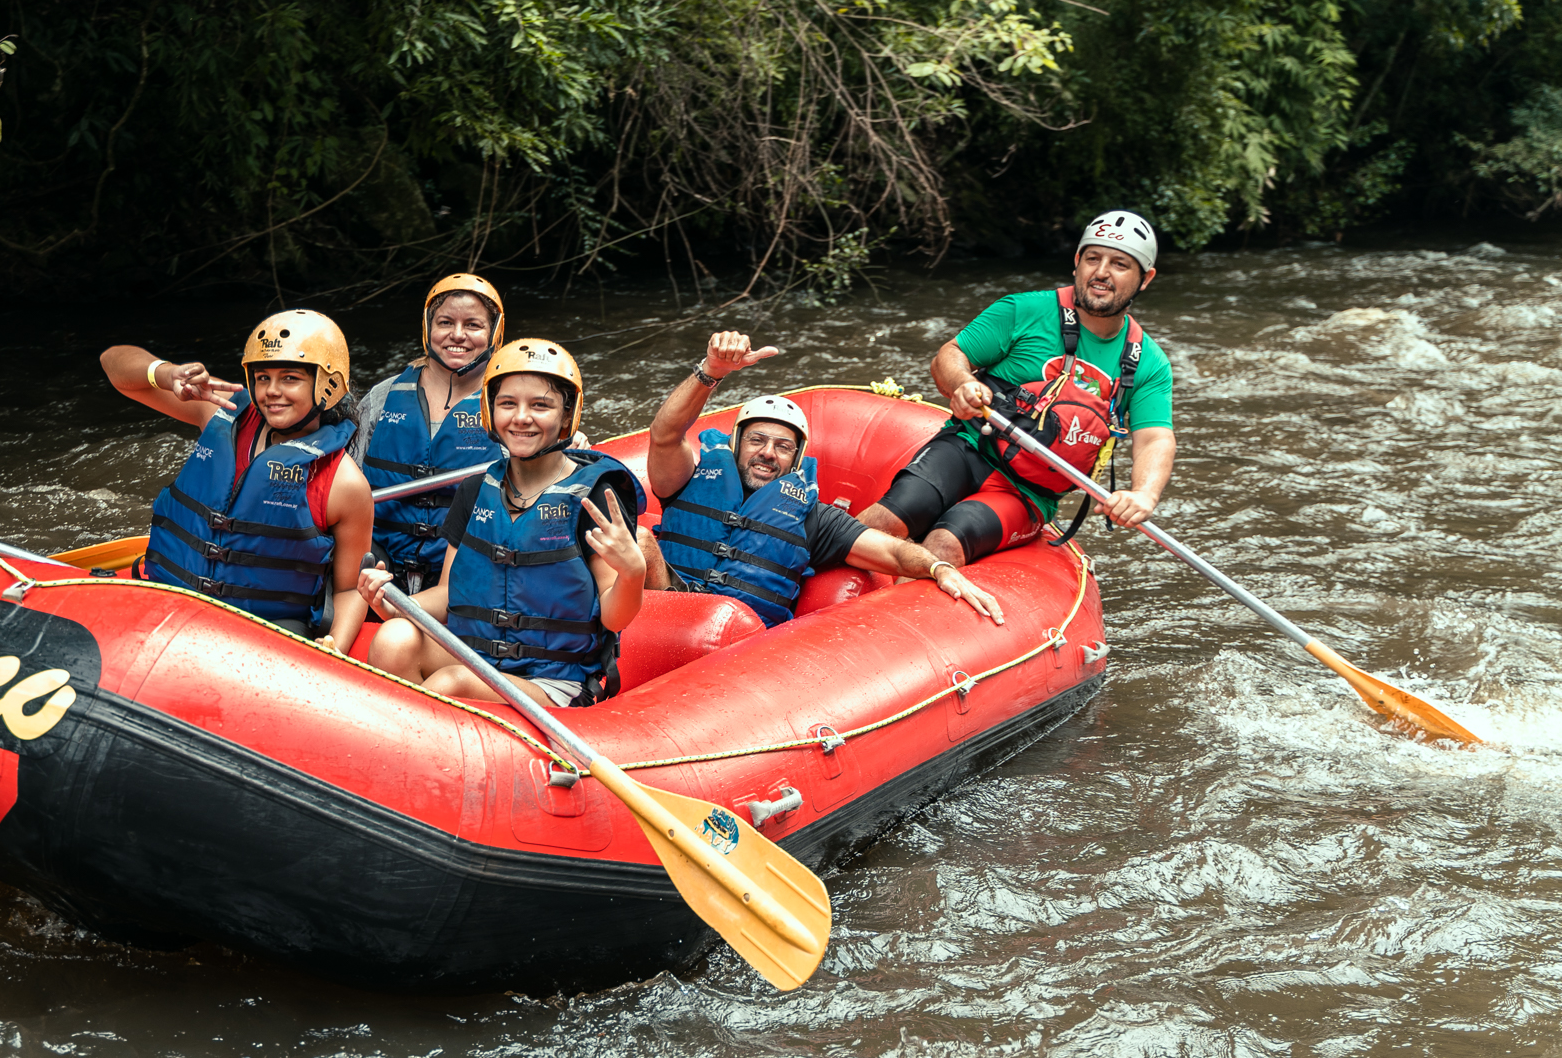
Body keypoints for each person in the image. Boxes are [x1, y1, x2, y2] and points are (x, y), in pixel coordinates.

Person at [854, 210, 1178, 565]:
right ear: (1076, 262)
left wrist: (1144, 494)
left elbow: (1155, 437)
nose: (1101, 272)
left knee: (944, 544)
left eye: (1119, 264)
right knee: (885, 521)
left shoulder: (1148, 361)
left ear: (1145, 278)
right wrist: (962, 383)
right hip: (970, 449)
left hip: (1029, 493)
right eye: (1092, 258)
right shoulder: (1022, 310)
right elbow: (951, 354)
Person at [358, 340, 650, 707]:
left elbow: (612, 616)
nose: (521, 417)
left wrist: (632, 574)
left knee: (453, 683)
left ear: (566, 415)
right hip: (477, 655)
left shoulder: (594, 496)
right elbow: (450, 595)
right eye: (507, 403)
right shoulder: (475, 489)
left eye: (540, 405)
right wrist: (394, 603)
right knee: (393, 639)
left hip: (552, 678)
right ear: (489, 410)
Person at [644, 331, 1006, 626]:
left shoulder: (815, 519)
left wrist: (938, 567)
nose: (768, 452)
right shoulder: (686, 480)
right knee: (641, 542)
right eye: (756, 441)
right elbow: (665, 432)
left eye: (783, 447)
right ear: (736, 445)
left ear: (796, 459)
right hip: (660, 616)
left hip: (734, 639)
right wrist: (712, 370)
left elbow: (892, 552)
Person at [99, 310, 376, 651]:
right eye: (262, 378)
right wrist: (167, 373)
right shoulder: (219, 411)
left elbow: (349, 588)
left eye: (290, 378)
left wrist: (336, 646)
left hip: (259, 634)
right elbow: (113, 365)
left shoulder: (345, 484)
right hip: (171, 599)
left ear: (327, 385)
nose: (272, 391)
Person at [354, 274, 507, 594]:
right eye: (445, 322)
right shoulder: (384, 397)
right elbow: (345, 477)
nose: (458, 335)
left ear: (494, 333)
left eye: (474, 325)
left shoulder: (509, 406)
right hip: (381, 564)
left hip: (465, 565)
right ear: (428, 328)